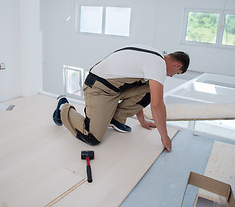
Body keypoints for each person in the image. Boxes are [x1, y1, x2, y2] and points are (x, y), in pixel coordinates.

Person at [53, 45, 190, 152]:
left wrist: (142, 121)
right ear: (177, 66)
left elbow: (145, 93)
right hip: (98, 89)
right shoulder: (158, 64)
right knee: (92, 137)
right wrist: (165, 137)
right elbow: (157, 105)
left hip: (115, 89)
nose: (172, 76)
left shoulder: (153, 55)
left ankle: (116, 119)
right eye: (176, 73)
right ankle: (63, 108)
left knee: (151, 90)